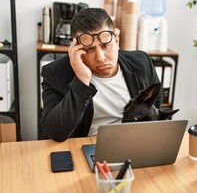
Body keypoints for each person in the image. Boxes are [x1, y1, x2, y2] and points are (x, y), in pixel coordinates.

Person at [41, 8, 162, 142]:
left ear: (116, 40)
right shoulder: (55, 74)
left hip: (134, 143)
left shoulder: (141, 62)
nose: (100, 57)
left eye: (105, 46)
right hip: (87, 147)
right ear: (75, 48)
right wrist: (82, 81)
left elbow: (155, 105)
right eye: (89, 49)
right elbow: (56, 132)